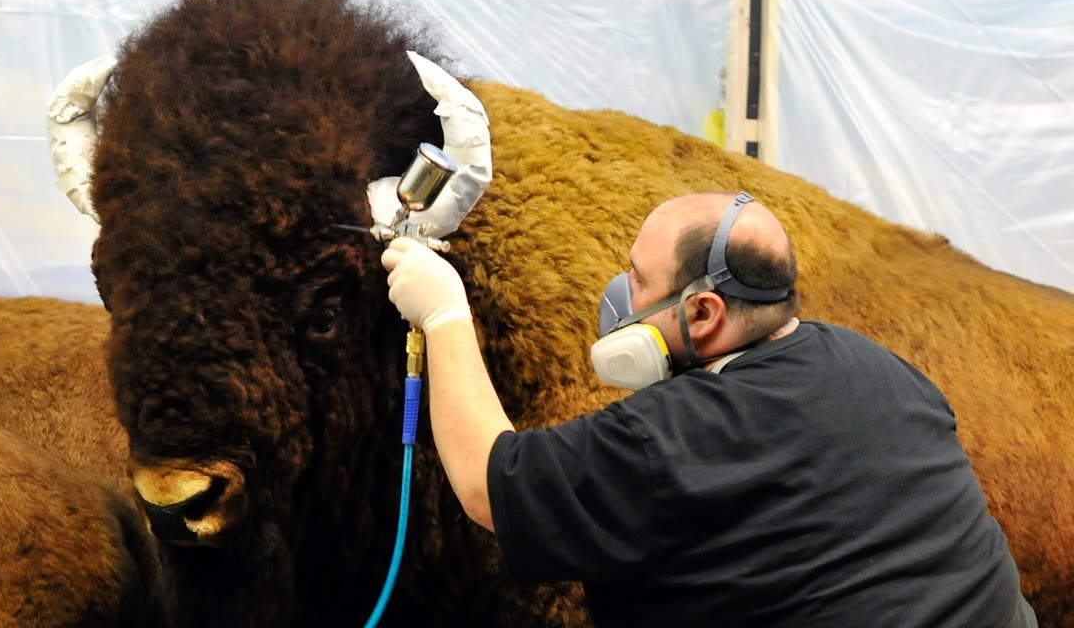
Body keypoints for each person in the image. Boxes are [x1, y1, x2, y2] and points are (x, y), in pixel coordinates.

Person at [380, 191, 1037, 628]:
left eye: (638, 280)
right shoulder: (883, 367)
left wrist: (444, 313)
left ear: (703, 312)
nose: (622, 294)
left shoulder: (676, 434)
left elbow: (488, 482)